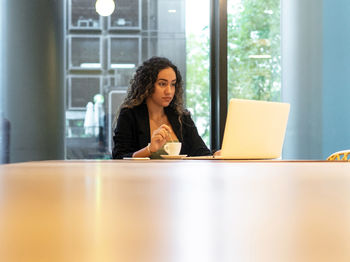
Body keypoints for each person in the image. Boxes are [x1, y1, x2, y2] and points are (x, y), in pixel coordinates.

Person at [112, 56, 212, 159]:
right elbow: (119, 157)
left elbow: (201, 151)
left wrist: (216, 155)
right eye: (162, 84)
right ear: (147, 85)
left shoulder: (182, 116)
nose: (169, 91)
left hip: (178, 175)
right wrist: (149, 149)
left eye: (173, 84)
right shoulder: (129, 115)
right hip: (142, 175)